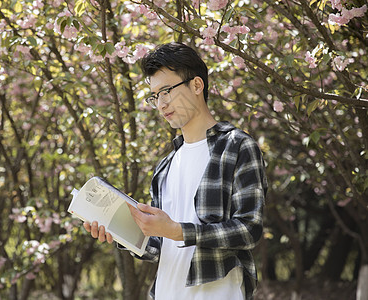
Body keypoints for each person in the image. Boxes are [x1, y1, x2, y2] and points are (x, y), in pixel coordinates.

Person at [83, 42, 267, 300]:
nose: (161, 103)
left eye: (166, 91)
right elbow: (159, 248)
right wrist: (119, 234)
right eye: (155, 96)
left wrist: (177, 230)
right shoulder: (165, 166)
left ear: (196, 85)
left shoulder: (236, 147)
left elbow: (249, 230)